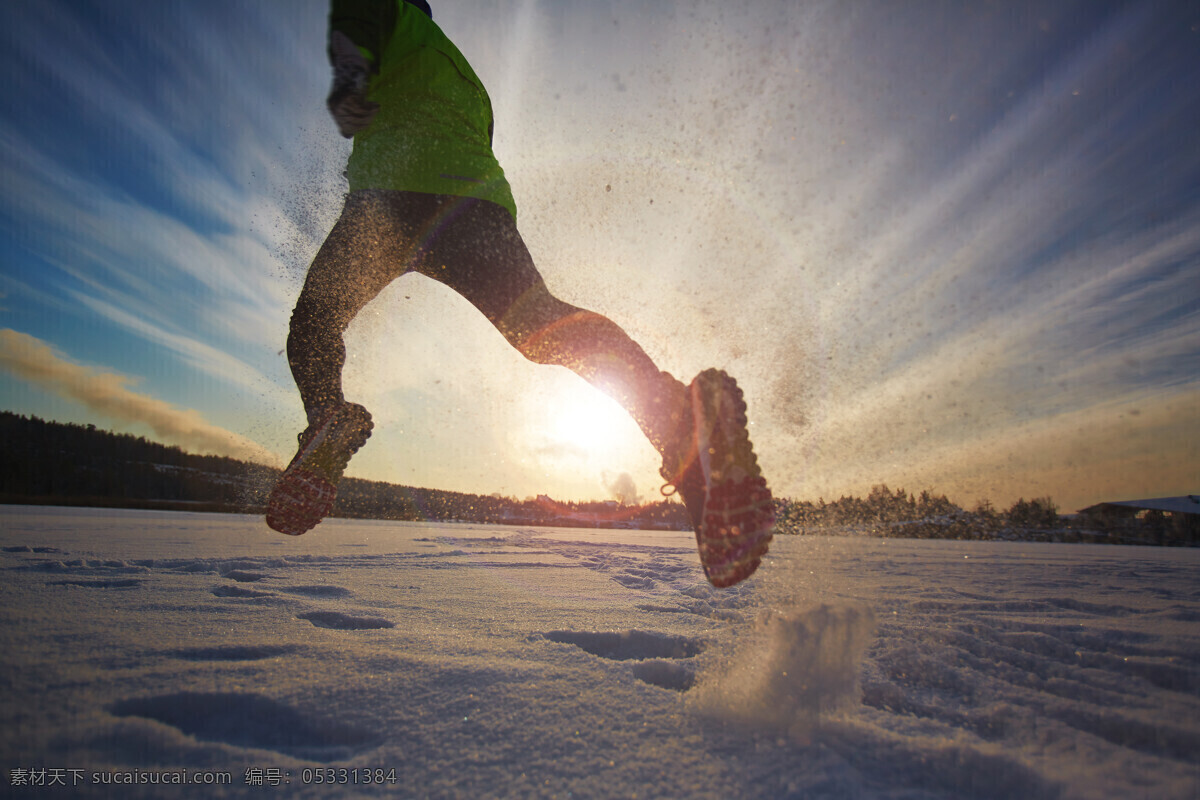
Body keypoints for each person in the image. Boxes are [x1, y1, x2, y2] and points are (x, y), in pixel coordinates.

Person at [267, 0, 774, 587]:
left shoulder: (385, 13)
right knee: (542, 330)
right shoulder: (463, 72)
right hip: (475, 206)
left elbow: (359, 19)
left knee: (315, 322)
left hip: (390, 201)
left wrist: (351, 79)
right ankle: (687, 438)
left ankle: (329, 417)